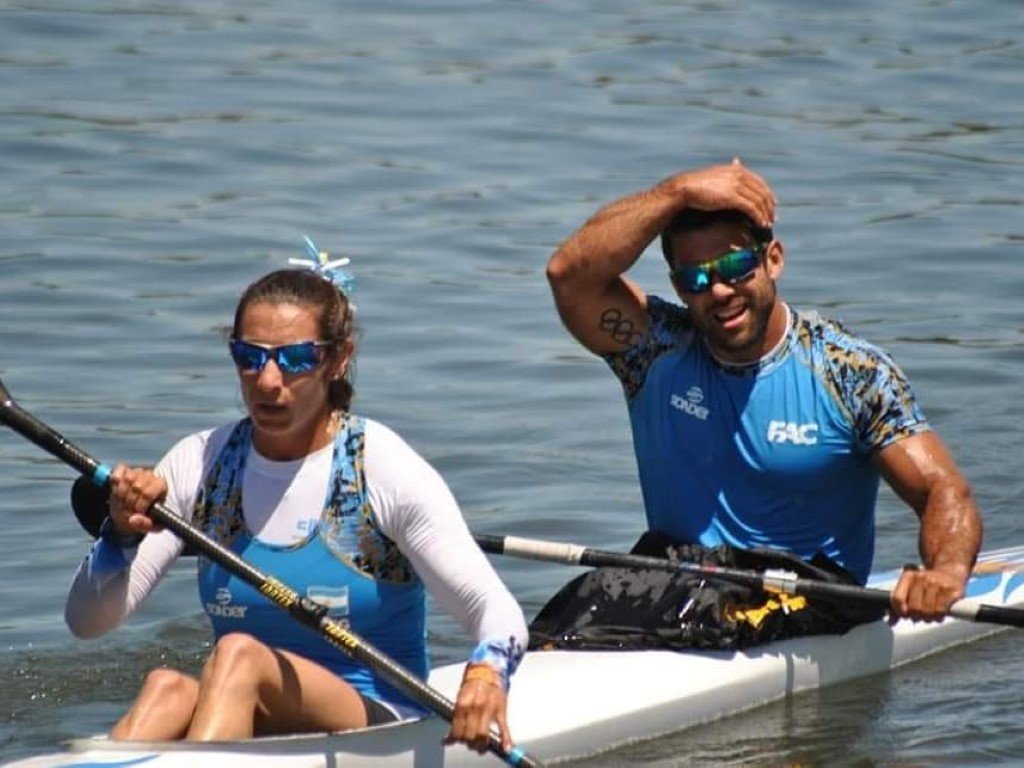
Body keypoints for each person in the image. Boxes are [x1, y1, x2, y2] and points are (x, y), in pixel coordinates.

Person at [64, 239, 528, 754]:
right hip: (243, 700)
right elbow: (87, 623)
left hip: (382, 719)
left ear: (338, 359)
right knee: (166, 688)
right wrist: (120, 537)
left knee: (239, 656)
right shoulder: (201, 463)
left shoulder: (380, 466)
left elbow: (495, 609)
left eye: (296, 359)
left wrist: (487, 675)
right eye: (249, 357)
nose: (268, 381)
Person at [544, 159, 982, 624]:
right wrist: (676, 192)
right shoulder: (654, 351)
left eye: (735, 266)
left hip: (806, 599)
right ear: (678, 287)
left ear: (773, 260)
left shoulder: (850, 373)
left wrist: (945, 572)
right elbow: (568, 275)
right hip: (677, 590)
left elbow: (942, 490)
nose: (719, 291)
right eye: (697, 279)